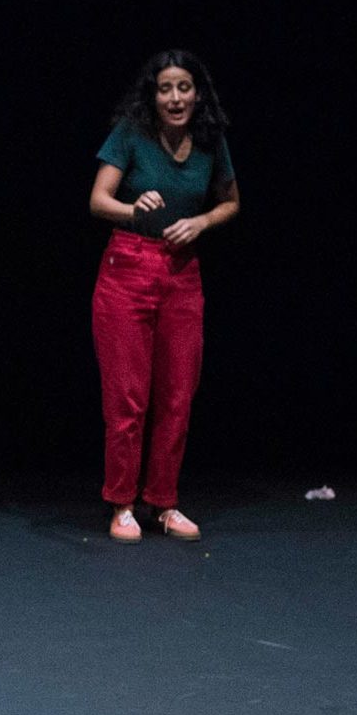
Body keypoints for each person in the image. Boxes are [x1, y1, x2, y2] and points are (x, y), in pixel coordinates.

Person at [86, 50, 240, 544]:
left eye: (183, 88)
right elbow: (97, 200)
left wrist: (202, 221)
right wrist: (133, 209)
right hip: (128, 268)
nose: (175, 98)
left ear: (198, 94)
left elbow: (231, 201)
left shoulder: (210, 141)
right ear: (152, 96)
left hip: (182, 274)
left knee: (178, 395)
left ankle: (164, 503)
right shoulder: (131, 135)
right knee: (128, 397)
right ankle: (123, 504)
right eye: (165, 89)